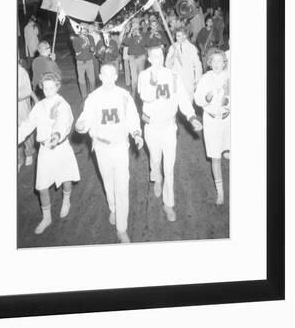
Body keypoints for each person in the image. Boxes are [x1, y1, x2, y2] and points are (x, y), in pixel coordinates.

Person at [75, 63, 143, 243]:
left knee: (122, 186)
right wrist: (80, 126)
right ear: (100, 77)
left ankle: (122, 228)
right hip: (101, 147)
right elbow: (85, 119)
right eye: (104, 75)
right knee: (108, 181)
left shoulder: (124, 96)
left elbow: (133, 118)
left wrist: (136, 133)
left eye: (112, 75)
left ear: (116, 76)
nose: (108, 78)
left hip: (120, 146)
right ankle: (113, 208)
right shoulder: (93, 98)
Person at [138, 46, 202, 222]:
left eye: (161, 56)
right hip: (152, 128)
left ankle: (169, 204)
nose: (158, 59)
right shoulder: (144, 76)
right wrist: (153, 80)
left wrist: (191, 117)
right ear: (149, 59)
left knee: (169, 168)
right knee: (155, 160)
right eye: (154, 57)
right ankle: (156, 178)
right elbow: (145, 96)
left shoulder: (173, 76)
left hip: (169, 128)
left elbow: (183, 99)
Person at [18, 72, 80, 234]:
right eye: (45, 88)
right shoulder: (39, 106)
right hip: (45, 150)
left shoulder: (62, 104)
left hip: (60, 148)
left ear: (57, 87)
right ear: (41, 88)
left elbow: (63, 121)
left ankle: (66, 200)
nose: (48, 90)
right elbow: (28, 124)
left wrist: (56, 135)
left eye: (51, 87)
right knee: (42, 186)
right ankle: (47, 217)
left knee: (66, 177)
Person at [194, 48, 230, 205]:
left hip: (228, 121)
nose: (216, 64)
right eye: (213, 61)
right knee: (215, 157)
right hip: (211, 121)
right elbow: (197, 100)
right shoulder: (205, 79)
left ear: (224, 63)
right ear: (209, 63)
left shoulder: (229, 77)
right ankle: (220, 193)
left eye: (219, 61)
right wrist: (206, 98)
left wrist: (228, 101)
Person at [165, 27, 202, 99]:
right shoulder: (172, 47)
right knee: (176, 101)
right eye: (176, 36)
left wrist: (197, 79)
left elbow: (198, 65)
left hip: (188, 78)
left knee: (189, 100)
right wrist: (173, 56)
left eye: (179, 36)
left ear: (184, 36)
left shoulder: (191, 48)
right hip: (176, 79)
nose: (176, 38)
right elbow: (167, 65)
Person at [18, 60, 37, 170]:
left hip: (21, 106)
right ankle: (19, 158)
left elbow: (28, 90)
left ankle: (29, 152)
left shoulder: (21, 72)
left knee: (25, 128)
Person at [71, 23, 96, 100]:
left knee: (92, 80)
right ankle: (84, 97)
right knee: (81, 80)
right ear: (80, 29)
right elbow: (77, 50)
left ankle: (93, 96)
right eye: (84, 29)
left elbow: (93, 48)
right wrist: (84, 45)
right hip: (80, 62)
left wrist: (92, 49)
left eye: (86, 29)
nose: (85, 31)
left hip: (89, 61)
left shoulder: (90, 37)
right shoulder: (76, 39)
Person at [123, 18, 147, 96]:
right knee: (134, 78)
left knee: (141, 76)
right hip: (132, 58)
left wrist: (139, 35)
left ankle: (141, 92)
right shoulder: (129, 34)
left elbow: (145, 44)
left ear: (139, 25)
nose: (135, 25)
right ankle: (134, 93)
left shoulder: (143, 33)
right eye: (133, 24)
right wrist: (130, 33)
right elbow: (125, 43)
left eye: (136, 24)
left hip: (141, 57)